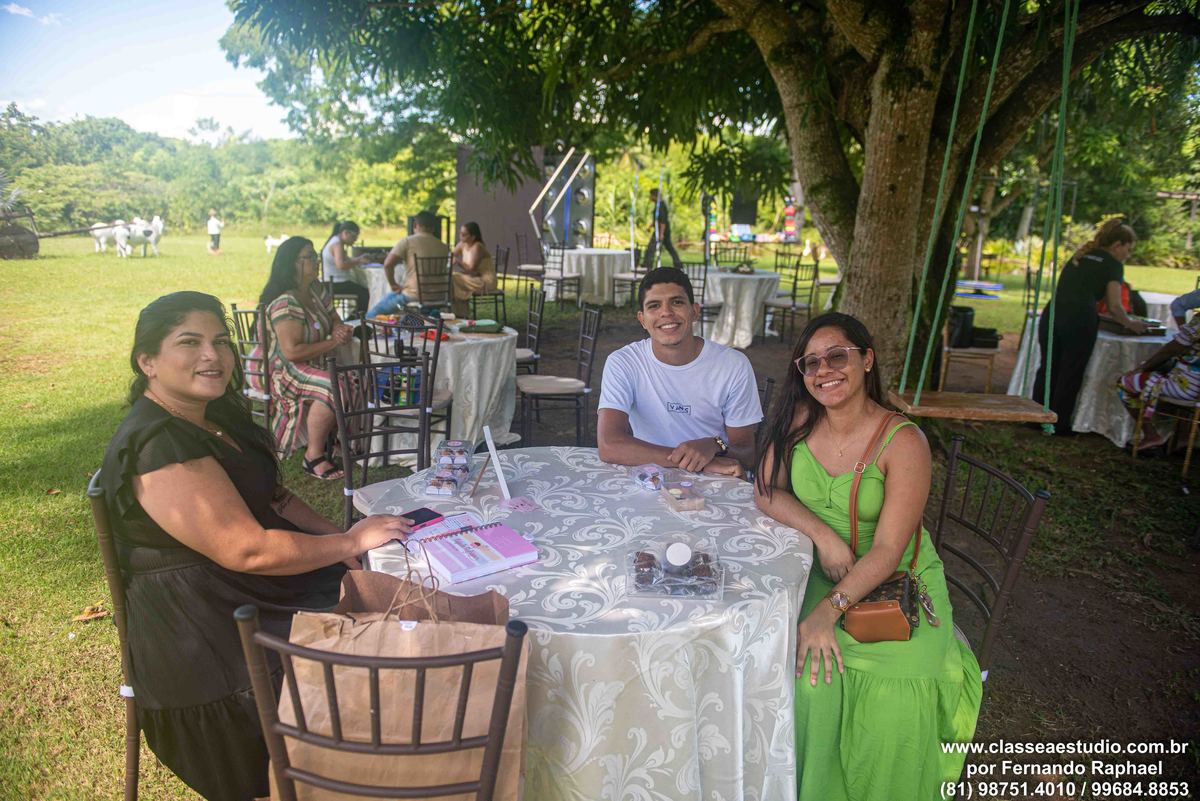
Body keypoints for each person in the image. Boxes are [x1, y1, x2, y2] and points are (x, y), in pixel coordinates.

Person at [98, 291, 412, 801]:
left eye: (221, 341)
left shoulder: (213, 418)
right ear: (147, 361)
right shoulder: (159, 444)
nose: (212, 355)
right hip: (208, 636)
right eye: (190, 342)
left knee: (394, 598)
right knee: (386, 639)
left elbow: (278, 499)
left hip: (246, 593)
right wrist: (350, 540)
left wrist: (337, 542)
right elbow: (246, 550)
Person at [753, 312, 982, 801]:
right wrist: (823, 535)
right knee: (811, 685)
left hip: (896, 586)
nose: (824, 370)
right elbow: (766, 492)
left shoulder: (905, 441)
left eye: (838, 356)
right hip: (826, 572)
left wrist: (823, 615)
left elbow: (888, 551)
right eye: (811, 362)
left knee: (888, 705)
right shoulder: (798, 423)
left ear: (867, 360)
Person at [597, 267, 761, 476]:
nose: (666, 312)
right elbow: (609, 444)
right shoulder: (623, 363)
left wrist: (714, 445)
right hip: (650, 479)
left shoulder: (733, 365)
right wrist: (692, 462)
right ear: (642, 319)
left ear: (695, 311)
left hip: (715, 481)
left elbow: (747, 454)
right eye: (654, 305)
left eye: (677, 302)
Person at [1033, 218, 1148, 434]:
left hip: (1053, 313)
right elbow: (1115, 306)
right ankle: (1057, 424)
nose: (1127, 254)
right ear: (1117, 245)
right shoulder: (1112, 265)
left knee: (1048, 366)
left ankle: (1033, 416)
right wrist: (1131, 324)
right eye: (1128, 249)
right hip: (1079, 318)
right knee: (1070, 371)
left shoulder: (1081, 255)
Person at [259, 236, 359, 480]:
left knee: (354, 378)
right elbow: (292, 352)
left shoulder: (316, 289)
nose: (317, 261)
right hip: (286, 369)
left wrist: (338, 327)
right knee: (333, 384)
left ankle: (336, 442)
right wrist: (334, 341)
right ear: (293, 263)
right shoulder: (285, 302)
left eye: (316, 256)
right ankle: (313, 456)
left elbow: (334, 316)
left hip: (315, 362)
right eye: (310, 257)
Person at [1119, 315, 1200, 449]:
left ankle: (1151, 435)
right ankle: (1186, 437)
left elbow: (1170, 350)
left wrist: (1141, 368)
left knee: (1125, 383)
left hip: (1189, 387)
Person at [367, 210, 450, 318]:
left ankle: (367, 331)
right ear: (434, 227)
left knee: (372, 314)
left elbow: (388, 264)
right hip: (439, 296)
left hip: (413, 296)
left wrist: (393, 285)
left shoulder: (408, 242)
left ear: (415, 224)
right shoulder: (443, 246)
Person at [321, 221, 372, 315]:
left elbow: (346, 260)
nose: (355, 240)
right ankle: (358, 319)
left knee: (362, 290)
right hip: (336, 284)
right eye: (354, 237)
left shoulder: (334, 240)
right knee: (365, 293)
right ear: (346, 233)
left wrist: (359, 258)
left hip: (331, 282)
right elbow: (341, 265)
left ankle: (354, 316)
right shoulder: (337, 244)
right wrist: (359, 261)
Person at [450, 221, 498, 318]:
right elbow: (451, 255)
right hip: (473, 277)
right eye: (460, 233)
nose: (461, 236)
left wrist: (458, 262)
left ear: (473, 236)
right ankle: (459, 313)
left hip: (485, 280)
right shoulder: (462, 244)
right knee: (452, 278)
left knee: (453, 279)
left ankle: (460, 314)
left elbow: (472, 270)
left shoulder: (478, 247)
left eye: (464, 234)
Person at [640, 188, 683, 271]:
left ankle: (647, 264)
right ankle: (678, 263)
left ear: (654, 196)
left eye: (651, 195)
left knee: (651, 247)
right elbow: (656, 220)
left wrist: (661, 234)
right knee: (669, 247)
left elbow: (663, 221)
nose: (650, 197)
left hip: (661, 230)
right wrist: (649, 227)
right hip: (659, 229)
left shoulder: (661, 206)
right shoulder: (658, 205)